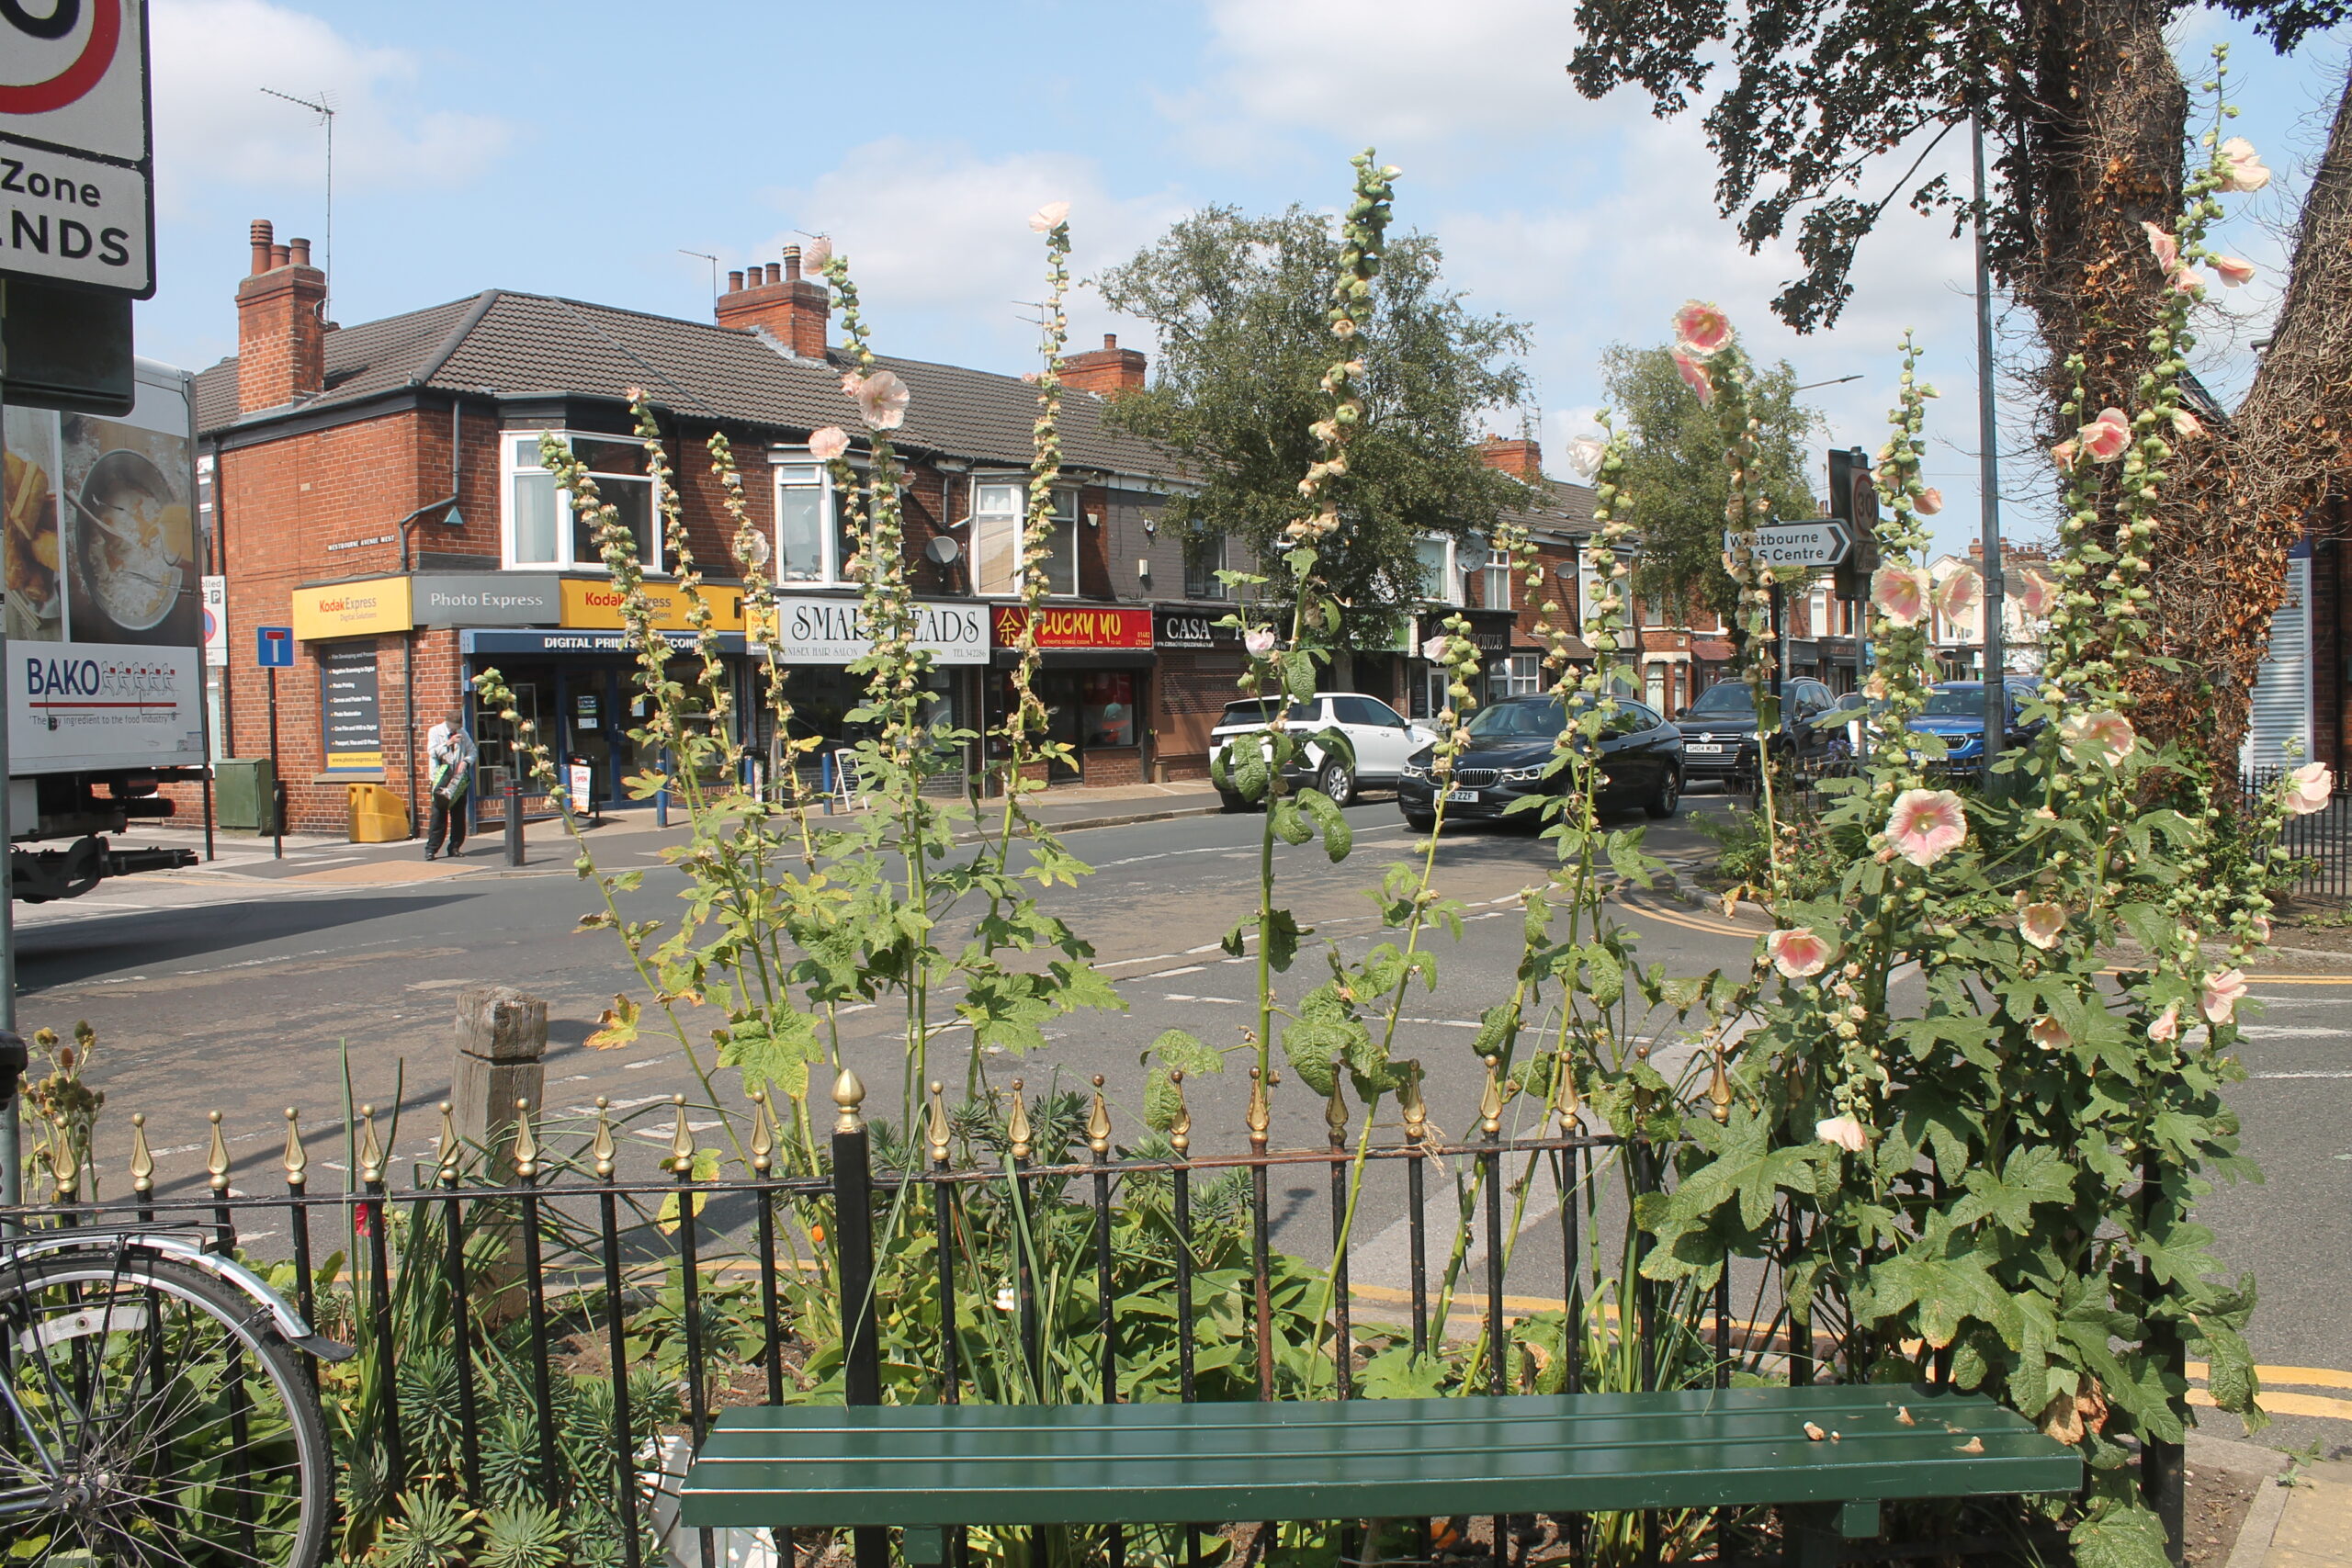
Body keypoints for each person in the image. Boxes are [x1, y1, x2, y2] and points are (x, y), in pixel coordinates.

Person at [424, 709, 472, 860]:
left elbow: (473, 751)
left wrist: (466, 761)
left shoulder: (463, 733)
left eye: (456, 727)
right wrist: (447, 743)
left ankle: (455, 847)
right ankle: (431, 849)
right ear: (446, 723)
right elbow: (432, 752)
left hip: (457, 779)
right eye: (452, 727)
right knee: (438, 815)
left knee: (458, 815)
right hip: (441, 778)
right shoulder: (435, 731)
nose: (454, 730)